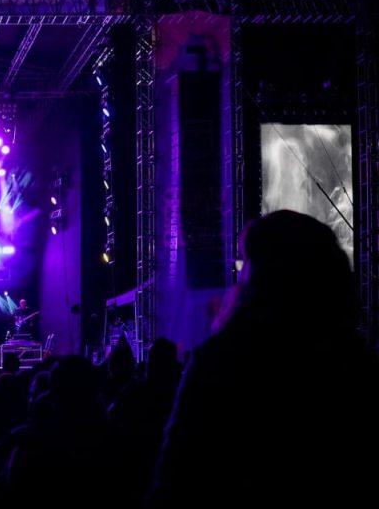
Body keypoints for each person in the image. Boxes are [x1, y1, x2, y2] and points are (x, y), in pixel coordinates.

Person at [150, 211, 379, 506]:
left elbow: (172, 487)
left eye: (245, 264)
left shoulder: (220, 364)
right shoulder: (354, 364)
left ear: (256, 277)